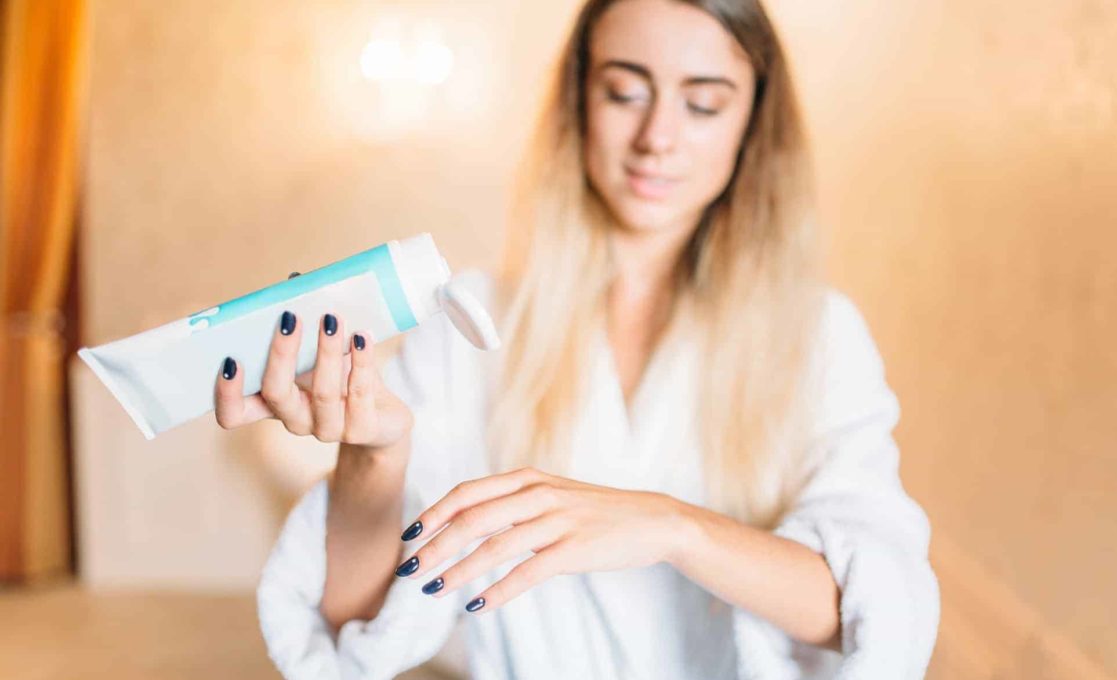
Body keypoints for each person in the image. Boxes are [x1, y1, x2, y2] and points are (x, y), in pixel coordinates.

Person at [214, 0, 940, 677]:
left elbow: (875, 611)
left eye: (703, 103)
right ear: (578, 103)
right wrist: (374, 456)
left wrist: (672, 527)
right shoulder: (474, 321)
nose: (657, 137)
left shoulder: (818, 335)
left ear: (753, 123)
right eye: (626, 92)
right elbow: (354, 625)